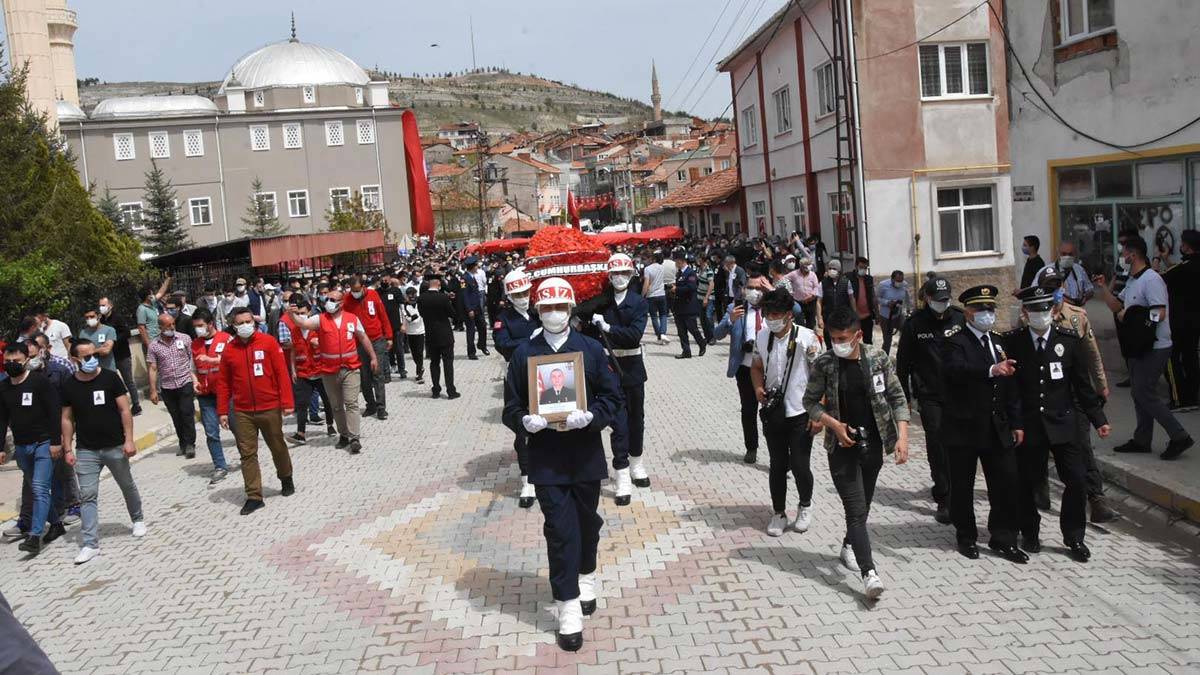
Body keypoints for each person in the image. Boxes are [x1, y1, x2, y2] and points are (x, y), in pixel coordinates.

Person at [502, 277, 622, 652]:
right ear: (538, 310)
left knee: (588, 524)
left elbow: (612, 396)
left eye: (560, 307)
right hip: (548, 461)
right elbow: (511, 406)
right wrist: (524, 420)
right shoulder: (524, 354)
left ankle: (586, 574)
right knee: (559, 530)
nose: (553, 313)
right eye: (546, 308)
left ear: (570, 309)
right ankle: (567, 605)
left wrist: (593, 416)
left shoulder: (589, 348)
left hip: (585, 456)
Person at [804, 305, 909, 599]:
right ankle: (869, 573)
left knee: (864, 507)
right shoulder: (824, 364)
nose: (838, 344)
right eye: (833, 338)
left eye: (843, 338)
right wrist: (833, 425)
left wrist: (903, 438)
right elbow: (810, 402)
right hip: (841, 446)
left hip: (873, 444)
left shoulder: (877, 359)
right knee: (855, 509)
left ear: (858, 335)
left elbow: (898, 398)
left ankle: (849, 545)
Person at [1002, 286, 1110, 563]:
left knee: (1075, 479)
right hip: (1029, 425)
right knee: (1028, 482)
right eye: (1034, 309)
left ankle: (1074, 537)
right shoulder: (1013, 342)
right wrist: (1013, 423)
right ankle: (1030, 532)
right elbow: (1009, 389)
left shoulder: (1069, 340)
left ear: (1052, 310)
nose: (1040, 314)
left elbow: (1081, 385)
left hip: (1063, 422)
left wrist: (1098, 419)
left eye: (1044, 309)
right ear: (1025, 312)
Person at [941, 285, 1028, 564]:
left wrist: (1016, 422)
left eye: (991, 309)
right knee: (963, 485)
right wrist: (991, 370)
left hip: (996, 425)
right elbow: (955, 371)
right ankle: (966, 536)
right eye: (981, 309)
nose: (987, 314)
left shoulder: (999, 341)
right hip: (964, 425)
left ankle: (1004, 537)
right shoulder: (955, 340)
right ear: (968, 312)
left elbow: (1010, 385)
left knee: (1005, 482)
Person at [1034, 266, 1120, 523]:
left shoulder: (1077, 316)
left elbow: (1091, 353)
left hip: (1075, 393)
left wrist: (1101, 384)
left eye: (1058, 287)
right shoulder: (1033, 318)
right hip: (1046, 394)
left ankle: (1096, 500)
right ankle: (1039, 488)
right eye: (1049, 288)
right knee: (1039, 445)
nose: (1056, 292)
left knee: (1082, 445)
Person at [1094, 237, 1193, 459]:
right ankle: (1142, 439)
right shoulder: (1132, 280)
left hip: (1156, 346)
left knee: (1143, 392)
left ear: (1133, 255)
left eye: (1124, 254)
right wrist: (1102, 288)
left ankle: (1179, 436)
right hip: (1138, 347)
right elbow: (1118, 307)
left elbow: (1160, 312)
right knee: (1138, 393)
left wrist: (1133, 319)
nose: (1122, 259)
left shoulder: (1152, 280)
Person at [60, 338, 146, 565]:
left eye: (94, 355)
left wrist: (129, 440)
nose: (92, 360)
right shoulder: (69, 385)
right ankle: (90, 544)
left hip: (115, 445)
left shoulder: (110, 378)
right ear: (75, 359)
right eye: (86, 357)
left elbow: (124, 410)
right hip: (86, 450)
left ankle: (137, 519)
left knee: (126, 484)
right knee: (87, 496)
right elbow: (67, 419)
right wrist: (67, 448)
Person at [751, 288, 821, 538]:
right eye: (768, 313)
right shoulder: (762, 336)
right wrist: (758, 387)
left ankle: (805, 505)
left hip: (801, 411)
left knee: (801, 465)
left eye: (776, 314)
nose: (771, 318)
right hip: (774, 413)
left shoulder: (807, 338)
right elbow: (756, 366)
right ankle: (779, 512)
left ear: (789, 315)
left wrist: (818, 412)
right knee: (777, 465)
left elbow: (820, 375)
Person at [216, 307, 296, 515]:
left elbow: (282, 374)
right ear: (233, 326)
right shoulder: (229, 350)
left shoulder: (268, 342)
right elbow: (223, 383)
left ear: (254, 321)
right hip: (242, 411)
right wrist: (223, 410)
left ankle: (286, 477)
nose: (245, 325)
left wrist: (287, 402)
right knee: (247, 454)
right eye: (240, 323)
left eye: (248, 321)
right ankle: (254, 496)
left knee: (277, 445)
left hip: (269, 406)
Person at [895, 277, 962, 524]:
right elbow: (902, 364)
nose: (943, 304)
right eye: (938, 300)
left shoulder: (960, 318)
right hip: (930, 394)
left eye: (946, 300)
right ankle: (944, 496)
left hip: (958, 393)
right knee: (936, 443)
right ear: (927, 299)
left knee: (959, 443)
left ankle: (958, 491)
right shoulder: (914, 324)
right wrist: (903, 399)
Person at [590, 253, 650, 507]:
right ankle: (622, 472)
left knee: (636, 420)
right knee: (618, 423)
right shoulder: (602, 303)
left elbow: (634, 335)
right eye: (615, 274)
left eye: (624, 274)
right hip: (610, 369)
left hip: (632, 367)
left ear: (631, 275)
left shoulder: (638, 302)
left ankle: (637, 462)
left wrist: (608, 328)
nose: (619, 278)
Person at [290, 290, 380, 452]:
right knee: (336, 406)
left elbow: (363, 337)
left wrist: (373, 356)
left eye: (332, 299)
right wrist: (292, 315)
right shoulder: (321, 319)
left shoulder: (352, 319)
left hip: (350, 368)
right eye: (327, 299)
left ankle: (354, 438)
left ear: (341, 303)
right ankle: (343, 435)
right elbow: (302, 324)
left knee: (351, 403)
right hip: (329, 370)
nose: (328, 302)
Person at [0, 342, 66, 555]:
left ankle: (35, 536)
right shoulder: (3, 387)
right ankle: (55, 524)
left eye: (16, 361)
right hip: (21, 447)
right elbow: (1, 419)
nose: (11, 365)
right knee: (37, 490)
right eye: (7, 361)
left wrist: (57, 442)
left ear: (26, 360)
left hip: (44, 443)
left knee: (38, 488)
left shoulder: (39, 382)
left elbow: (54, 413)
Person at [714, 266, 772, 464]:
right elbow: (717, 334)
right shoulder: (735, 308)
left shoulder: (773, 307)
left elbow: (796, 310)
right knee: (748, 409)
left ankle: (777, 450)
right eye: (750, 287)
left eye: (758, 287)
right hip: (745, 368)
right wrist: (729, 321)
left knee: (771, 412)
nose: (754, 291)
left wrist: (773, 291)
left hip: (770, 369)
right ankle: (751, 448)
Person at [494, 269, 540, 507]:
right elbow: (503, 345)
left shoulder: (537, 313)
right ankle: (527, 481)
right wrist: (531, 341)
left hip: (541, 378)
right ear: (510, 296)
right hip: (517, 378)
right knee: (522, 431)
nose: (522, 296)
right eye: (517, 293)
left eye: (525, 292)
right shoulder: (504, 318)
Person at [190, 309, 233, 484]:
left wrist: (214, 360)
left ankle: (248, 457)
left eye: (201, 326)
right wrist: (194, 382)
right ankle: (220, 466)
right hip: (206, 395)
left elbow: (233, 362)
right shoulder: (195, 344)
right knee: (211, 433)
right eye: (195, 326)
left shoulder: (226, 339)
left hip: (228, 393)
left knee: (238, 429)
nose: (198, 329)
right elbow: (192, 368)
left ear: (210, 324)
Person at [146, 313, 197, 459]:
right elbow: (153, 368)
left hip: (184, 381)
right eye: (168, 325)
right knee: (176, 416)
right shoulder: (154, 346)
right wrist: (153, 390)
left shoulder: (184, 339)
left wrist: (195, 380)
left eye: (173, 324)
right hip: (167, 386)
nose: (171, 327)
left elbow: (191, 360)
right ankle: (182, 442)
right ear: (160, 327)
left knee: (187, 413)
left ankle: (190, 444)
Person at [343, 276, 394, 420]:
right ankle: (370, 404)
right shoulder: (347, 300)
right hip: (358, 342)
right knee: (364, 376)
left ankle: (381, 407)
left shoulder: (373, 295)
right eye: (353, 290)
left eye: (357, 290)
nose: (355, 293)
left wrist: (389, 336)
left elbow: (383, 315)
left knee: (377, 374)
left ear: (363, 287)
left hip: (376, 339)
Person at [1162, 229, 1199, 411]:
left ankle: (1178, 399)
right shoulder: (1191, 266)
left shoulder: (1182, 269)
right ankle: (1193, 397)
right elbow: (1174, 271)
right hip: (1195, 322)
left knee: (1171, 359)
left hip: (1177, 322)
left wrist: (1156, 260)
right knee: (1191, 358)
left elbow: (1159, 278)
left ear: (1186, 246)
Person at [417, 274, 460, 399]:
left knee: (434, 363)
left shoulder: (422, 298)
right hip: (445, 334)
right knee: (448, 363)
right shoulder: (443, 297)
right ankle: (451, 391)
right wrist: (450, 301)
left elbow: (421, 313)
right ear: (439, 284)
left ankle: (436, 389)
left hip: (430, 334)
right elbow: (452, 314)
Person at [98, 296, 140, 415]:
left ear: (110, 306)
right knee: (112, 381)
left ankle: (136, 404)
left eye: (103, 305)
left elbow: (127, 332)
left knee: (128, 380)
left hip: (122, 355)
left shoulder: (118, 318)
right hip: (109, 356)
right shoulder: (101, 320)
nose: (101, 308)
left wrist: (113, 340)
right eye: (100, 305)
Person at [672, 251, 706, 359]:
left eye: (676, 261)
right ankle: (686, 351)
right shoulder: (679, 273)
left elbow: (692, 288)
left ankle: (701, 343)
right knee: (681, 331)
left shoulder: (690, 273)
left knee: (692, 329)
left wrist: (677, 289)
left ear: (680, 261)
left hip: (688, 306)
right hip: (679, 306)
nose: (675, 263)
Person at [875, 270, 911, 354]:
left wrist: (908, 310)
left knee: (907, 331)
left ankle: (904, 353)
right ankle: (884, 359)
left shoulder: (904, 285)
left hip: (899, 315)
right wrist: (887, 303)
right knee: (887, 340)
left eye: (901, 281)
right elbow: (877, 299)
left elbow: (907, 297)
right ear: (892, 279)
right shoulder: (883, 285)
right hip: (886, 317)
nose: (899, 283)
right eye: (897, 281)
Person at [462, 256, 491, 359]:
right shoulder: (464, 278)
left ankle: (482, 345)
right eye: (476, 266)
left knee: (482, 326)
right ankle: (471, 352)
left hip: (477, 307)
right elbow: (465, 295)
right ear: (472, 267)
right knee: (471, 331)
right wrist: (469, 309)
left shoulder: (472, 277)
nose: (477, 268)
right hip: (470, 309)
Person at [819, 259, 854, 344]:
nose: (831, 270)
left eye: (834, 269)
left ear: (839, 270)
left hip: (842, 317)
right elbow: (818, 301)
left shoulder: (846, 282)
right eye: (830, 268)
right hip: (828, 317)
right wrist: (819, 318)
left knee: (842, 340)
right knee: (829, 340)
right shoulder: (823, 283)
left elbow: (852, 299)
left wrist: (854, 314)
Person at [381, 275, 409, 379]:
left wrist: (403, 323)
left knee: (399, 348)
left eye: (386, 280)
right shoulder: (378, 292)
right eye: (382, 280)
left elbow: (402, 307)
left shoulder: (395, 291)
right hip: (384, 327)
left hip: (396, 325)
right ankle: (389, 370)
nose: (384, 282)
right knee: (387, 349)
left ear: (389, 281)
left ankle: (402, 369)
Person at [782, 258, 821, 330]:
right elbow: (783, 279)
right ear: (801, 266)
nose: (807, 268)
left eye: (808, 265)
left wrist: (811, 296)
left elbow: (816, 287)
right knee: (800, 322)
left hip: (810, 302)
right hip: (799, 302)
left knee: (811, 322)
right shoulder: (794, 274)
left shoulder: (813, 275)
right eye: (805, 266)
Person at [845, 257, 876, 344]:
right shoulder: (848, 277)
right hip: (853, 317)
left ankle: (866, 357)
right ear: (856, 266)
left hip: (867, 316)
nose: (863, 270)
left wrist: (876, 313)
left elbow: (873, 296)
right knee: (852, 341)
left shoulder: (869, 279)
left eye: (865, 268)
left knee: (868, 341)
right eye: (861, 267)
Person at [641, 251, 670, 345]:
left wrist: (642, 295)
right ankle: (663, 333)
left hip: (651, 295)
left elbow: (646, 283)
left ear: (653, 259)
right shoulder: (662, 268)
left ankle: (659, 335)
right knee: (663, 315)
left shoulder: (648, 269)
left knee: (654, 317)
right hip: (661, 294)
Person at [77, 308, 117, 373]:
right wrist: (99, 349)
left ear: (99, 316)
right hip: (90, 372)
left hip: (108, 371)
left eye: (92, 316)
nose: (89, 319)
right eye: (87, 317)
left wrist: (88, 352)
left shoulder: (109, 330)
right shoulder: (83, 333)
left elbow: (106, 351)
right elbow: (80, 352)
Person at [401, 287, 426, 385]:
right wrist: (414, 317)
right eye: (410, 295)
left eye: (414, 294)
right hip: (410, 333)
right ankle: (420, 366)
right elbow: (409, 318)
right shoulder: (404, 306)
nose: (412, 297)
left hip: (420, 331)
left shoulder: (420, 304)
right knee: (414, 353)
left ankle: (419, 373)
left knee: (420, 352)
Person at [1056, 241, 1093, 306]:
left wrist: (1084, 298)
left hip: (1076, 310)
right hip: (1057, 310)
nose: (1067, 257)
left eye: (1070, 254)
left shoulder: (1079, 270)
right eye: (1064, 254)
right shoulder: (1048, 271)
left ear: (1075, 255)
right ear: (1058, 253)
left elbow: (1090, 290)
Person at [696, 256, 716, 344]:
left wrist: (706, 297)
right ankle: (707, 336)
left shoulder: (709, 271)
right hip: (699, 297)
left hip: (708, 298)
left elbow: (711, 284)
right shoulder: (699, 270)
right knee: (702, 318)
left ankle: (713, 336)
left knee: (708, 317)